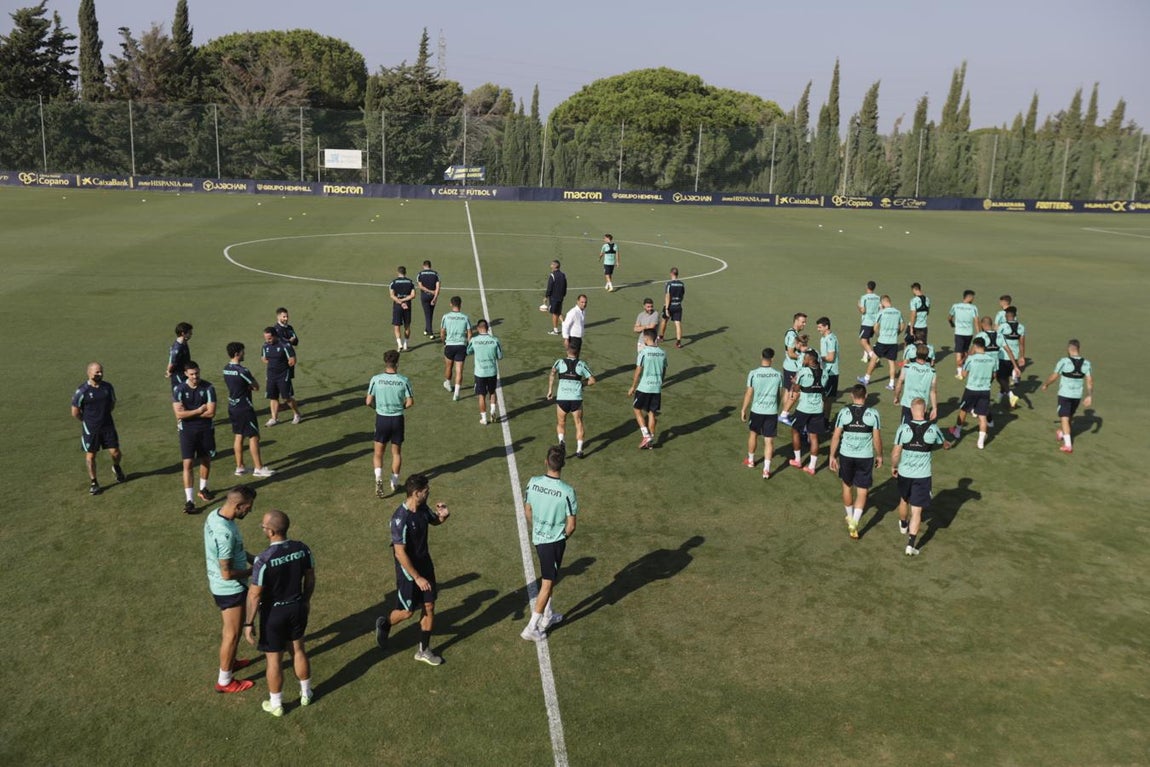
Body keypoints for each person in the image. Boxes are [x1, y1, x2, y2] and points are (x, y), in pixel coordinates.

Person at [244, 508, 315, 717]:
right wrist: (306, 600)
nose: (262, 528)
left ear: (271, 532)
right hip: (297, 607)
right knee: (298, 650)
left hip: (273, 615)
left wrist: (248, 624)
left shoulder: (264, 560)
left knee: (274, 660)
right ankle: (306, 693)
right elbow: (310, 577)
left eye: (263, 526)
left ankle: (276, 704)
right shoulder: (302, 549)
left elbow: (255, 595)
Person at [375, 474, 450, 667]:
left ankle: (423, 650)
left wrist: (443, 516)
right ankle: (385, 623)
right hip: (409, 573)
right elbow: (400, 553)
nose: (429, 492)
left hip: (426, 566)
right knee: (407, 612)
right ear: (416, 493)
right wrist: (416, 577)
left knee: (429, 606)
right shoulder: (400, 519)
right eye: (426, 491)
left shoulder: (423, 508)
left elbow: (434, 521)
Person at [204, 485, 257, 693]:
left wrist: (255, 558)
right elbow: (227, 572)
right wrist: (253, 571)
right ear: (237, 505)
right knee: (232, 634)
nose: (249, 511)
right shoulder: (224, 533)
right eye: (248, 507)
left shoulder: (215, 515)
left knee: (230, 632)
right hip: (229, 588)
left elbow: (237, 551)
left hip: (220, 583)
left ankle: (231, 661)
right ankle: (224, 681)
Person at [521, 445, 578, 641]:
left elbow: (527, 510)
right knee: (547, 583)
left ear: (546, 462)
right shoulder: (567, 491)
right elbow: (571, 526)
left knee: (550, 578)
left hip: (538, 538)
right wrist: (558, 538)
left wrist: (538, 529)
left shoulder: (533, 482)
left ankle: (548, 615)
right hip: (553, 543)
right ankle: (531, 627)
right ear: (562, 465)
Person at [891, 398, 951, 556]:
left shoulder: (903, 428)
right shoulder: (933, 428)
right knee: (917, 511)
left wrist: (894, 466)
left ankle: (903, 524)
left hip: (905, 473)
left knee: (904, 500)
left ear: (911, 410)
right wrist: (946, 444)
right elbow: (944, 443)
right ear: (924, 411)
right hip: (923, 476)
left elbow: (896, 452)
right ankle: (910, 545)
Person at [829, 384, 883, 539]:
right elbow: (877, 438)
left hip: (846, 455)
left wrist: (832, 456)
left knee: (847, 486)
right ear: (865, 396)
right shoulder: (873, 414)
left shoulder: (844, 412)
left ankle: (850, 516)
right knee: (862, 491)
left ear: (852, 396)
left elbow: (836, 436)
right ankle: (855, 522)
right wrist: (880, 455)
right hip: (865, 457)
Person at [71, 361, 126, 495]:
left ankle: (116, 467)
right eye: (97, 372)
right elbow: (75, 412)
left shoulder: (107, 387)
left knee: (115, 452)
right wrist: (87, 422)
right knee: (91, 456)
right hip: (91, 429)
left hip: (107, 425)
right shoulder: (82, 391)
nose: (100, 374)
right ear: (89, 373)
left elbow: (112, 403)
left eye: (101, 371)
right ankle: (94, 482)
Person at [366, 349, 415, 497]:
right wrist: (400, 407)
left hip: (381, 418)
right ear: (397, 363)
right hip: (397, 419)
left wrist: (377, 408)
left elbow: (368, 401)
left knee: (378, 453)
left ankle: (378, 478)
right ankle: (394, 482)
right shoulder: (403, 380)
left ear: (385, 362)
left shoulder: (376, 379)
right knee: (396, 453)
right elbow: (410, 402)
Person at [223, 343, 273, 478]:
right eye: (242, 352)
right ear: (237, 353)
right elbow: (256, 387)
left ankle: (240, 467)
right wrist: (249, 387)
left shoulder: (226, 369)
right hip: (244, 407)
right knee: (254, 436)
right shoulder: (242, 371)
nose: (244, 353)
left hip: (232, 406)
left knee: (239, 435)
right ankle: (259, 468)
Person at [173, 361, 217, 515]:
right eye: (191, 374)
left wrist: (188, 414)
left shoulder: (209, 387)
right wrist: (199, 410)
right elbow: (179, 414)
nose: (195, 376)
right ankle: (189, 500)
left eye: (197, 373)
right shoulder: (179, 389)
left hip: (205, 429)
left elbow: (211, 412)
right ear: (186, 374)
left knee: (205, 459)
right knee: (188, 464)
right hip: (187, 431)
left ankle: (203, 489)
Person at [1041, 339, 1093, 454]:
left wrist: (1046, 384)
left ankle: (1068, 445)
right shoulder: (1086, 363)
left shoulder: (1064, 361)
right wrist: (1089, 395)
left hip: (1065, 394)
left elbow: (1055, 376)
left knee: (1064, 417)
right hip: (1077, 396)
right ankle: (1061, 432)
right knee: (1069, 416)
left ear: (1069, 349)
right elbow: (1089, 380)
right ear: (1079, 349)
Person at [740, 347, 784, 478]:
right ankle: (766, 469)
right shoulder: (778, 375)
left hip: (757, 411)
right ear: (773, 358)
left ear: (761, 357)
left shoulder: (753, 373)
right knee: (769, 441)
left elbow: (749, 393)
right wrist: (776, 406)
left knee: (753, 435)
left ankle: (751, 460)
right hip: (771, 412)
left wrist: (743, 409)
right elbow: (780, 394)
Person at [547, 341, 596, 458]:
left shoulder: (559, 362)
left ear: (567, 351)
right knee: (578, 424)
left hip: (562, 398)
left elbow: (552, 373)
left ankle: (561, 441)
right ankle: (579, 450)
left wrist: (550, 390)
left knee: (561, 423)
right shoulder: (581, 364)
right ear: (578, 352)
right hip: (576, 399)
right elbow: (592, 380)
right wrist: (581, 384)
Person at [949, 337, 997, 449]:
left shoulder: (971, 359)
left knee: (963, 410)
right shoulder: (991, 359)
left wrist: (960, 374)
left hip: (971, 390)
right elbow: (994, 375)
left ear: (975, 346)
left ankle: (957, 431)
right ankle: (980, 442)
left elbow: (964, 375)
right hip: (985, 390)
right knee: (982, 415)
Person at [788, 349, 825, 475]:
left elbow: (797, 389)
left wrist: (794, 383)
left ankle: (798, 460)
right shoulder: (824, 372)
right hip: (818, 408)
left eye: (805, 358)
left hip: (804, 408)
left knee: (795, 430)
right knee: (814, 436)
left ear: (810, 360)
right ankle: (812, 467)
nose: (803, 360)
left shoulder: (803, 372)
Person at [629, 329, 668, 449]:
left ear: (646, 338)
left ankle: (646, 435)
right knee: (652, 413)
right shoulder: (662, 352)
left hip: (644, 387)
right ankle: (650, 442)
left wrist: (633, 386)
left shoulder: (644, 352)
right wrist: (659, 382)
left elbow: (638, 371)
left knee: (636, 409)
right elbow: (664, 371)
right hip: (656, 388)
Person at [974, 316, 1021, 410]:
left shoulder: (981, 335)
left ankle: (978, 406)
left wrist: (965, 361)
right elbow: (1009, 351)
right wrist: (1015, 366)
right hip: (995, 365)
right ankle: (1010, 395)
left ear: (983, 325)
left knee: (981, 385)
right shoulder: (1000, 335)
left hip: (983, 365)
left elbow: (973, 351)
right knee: (995, 381)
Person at [859, 296, 904, 390]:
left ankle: (866, 379)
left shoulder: (882, 312)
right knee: (891, 362)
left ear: (883, 302)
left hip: (882, 341)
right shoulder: (898, 312)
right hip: (893, 342)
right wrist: (896, 334)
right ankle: (891, 384)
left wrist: (878, 335)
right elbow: (902, 326)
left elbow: (875, 327)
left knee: (873, 359)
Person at [466, 319, 503, 425]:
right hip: (492, 371)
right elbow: (500, 356)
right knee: (492, 392)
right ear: (488, 328)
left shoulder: (474, 340)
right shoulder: (495, 340)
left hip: (480, 373)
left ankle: (483, 418)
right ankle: (492, 411)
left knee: (481, 395)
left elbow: (468, 351)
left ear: (478, 328)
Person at [261, 327, 301, 426]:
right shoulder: (265, 346)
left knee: (287, 397)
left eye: (269, 338)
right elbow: (263, 358)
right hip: (271, 375)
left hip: (283, 375)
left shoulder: (285, 345)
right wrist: (273, 365)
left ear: (275, 336)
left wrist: (281, 366)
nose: (267, 341)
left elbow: (292, 360)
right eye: (266, 338)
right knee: (273, 397)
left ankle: (297, 414)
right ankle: (274, 418)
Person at [894, 344, 939, 425]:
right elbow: (933, 391)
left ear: (916, 354)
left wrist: (896, 397)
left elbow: (899, 382)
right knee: (919, 433)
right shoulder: (932, 372)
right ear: (927, 356)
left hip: (908, 404)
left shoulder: (907, 367)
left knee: (905, 430)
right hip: (922, 407)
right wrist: (934, 408)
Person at [439, 296, 473, 401]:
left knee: (448, 367)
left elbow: (442, 332)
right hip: (461, 346)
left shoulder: (446, 316)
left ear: (451, 304)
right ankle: (457, 393)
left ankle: (448, 383)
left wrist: (444, 342)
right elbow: (470, 334)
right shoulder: (465, 317)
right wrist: (468, 344)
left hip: (449, 345)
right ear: (460, 304)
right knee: (459, 371)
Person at [778, 313, 808, 425]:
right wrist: (803, 357)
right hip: (792, 367)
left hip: (788, 366)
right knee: (793, 392)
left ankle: (784, 414)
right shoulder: (792, 335)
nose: (804, 324)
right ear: (796, 321)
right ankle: (784, 414)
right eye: (803, 322)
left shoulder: (793, 333)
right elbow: (791, 353)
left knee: (787, 390)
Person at [996, 306, 1026, 407]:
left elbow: (997, 340)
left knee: (1000, 377)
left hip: (1003, 355)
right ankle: (1002, 395)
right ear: (1015, 315)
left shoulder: (1003, 326)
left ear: (1006, 315)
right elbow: (1022, 343)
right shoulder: (1021, 327)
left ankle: (1010, 394)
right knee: (1005, 378)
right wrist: (1022, 357)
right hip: (1015, 356)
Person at [948, 289, 979, 379]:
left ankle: (959, 373)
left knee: (958, 352)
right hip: (969, 333)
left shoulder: (956, 306)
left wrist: (951, 323)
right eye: (972, 297)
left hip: (959, 333)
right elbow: (976, 321)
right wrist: (979, 333)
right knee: (965, 351)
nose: (973, 299)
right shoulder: (973, 308)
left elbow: (949, 317)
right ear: (969, 297)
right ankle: (965, 369)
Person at [817, 317, 840, 422]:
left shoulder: (831, 339)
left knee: (827, 399)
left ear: (826, 326)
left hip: (831, 373)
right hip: (824, 372)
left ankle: (825, 421)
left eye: (820, 327)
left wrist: (817, 358)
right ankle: (821, 418)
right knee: (822, 397)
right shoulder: (823, 338)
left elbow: (831, 358)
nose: (818, 329)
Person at [389, 266, 416, 351]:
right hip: (407, 305)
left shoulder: (393, 282)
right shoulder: (410, 282)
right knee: (407, 325)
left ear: (398, 272)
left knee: (397, 326)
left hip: (397, 305)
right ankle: (405, 344)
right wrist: (404, 300)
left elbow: (392, 295)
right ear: (405, 272)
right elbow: (413, 295)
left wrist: (399, 301)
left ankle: (399, 344)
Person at [658, 267, 686, 348]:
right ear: (677, 274)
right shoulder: (681, 284)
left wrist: (667, 308)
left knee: (664, 320)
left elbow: (667, 296)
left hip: (670, 306)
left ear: (671, 273)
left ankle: (661, 337)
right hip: (678, 306)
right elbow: (682, 295)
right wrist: (678, 302)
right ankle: (678, 342)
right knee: (677, 323)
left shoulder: (669, 284)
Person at [417, 260, 441, 338]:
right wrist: (435, 297)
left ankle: (430, 332)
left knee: (427, 314)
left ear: (423, 266)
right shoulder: (435, 274)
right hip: (432, 296)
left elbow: (421, 287)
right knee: (430, 313)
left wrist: (429, 291)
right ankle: (427, 329)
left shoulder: (420, 274)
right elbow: (438, 287)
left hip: (424, 296)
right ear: (430, 266)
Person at [857, 281, 881, 362]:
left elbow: (863, 311)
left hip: (866, 322)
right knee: (867, 339)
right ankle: (865, 357)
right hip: (875, 322)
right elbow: (880, 309)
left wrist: (859, 306)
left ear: (867, 287)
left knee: (863, 340)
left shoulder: (864, 297)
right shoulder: (878, 297)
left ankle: (873, 356)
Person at [166, 322, 193, 388]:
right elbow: (172, 362)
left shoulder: (184, 342)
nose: (191, 334)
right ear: (183, 333)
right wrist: (169, 371)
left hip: (185, 373)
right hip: (179, 375)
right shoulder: (177, 347)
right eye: (189, 332)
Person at [544, 260, 567, 335]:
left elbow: (550, 287)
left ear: (555, 266)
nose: (550, 266)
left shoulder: (552, 275)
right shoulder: (563, 275)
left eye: (552, 265)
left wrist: (546, 296)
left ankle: (555, 330)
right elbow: (565, 286)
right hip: (560, 297)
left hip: (554, 297)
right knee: (558, 312)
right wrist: (563, 295)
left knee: (554, 313)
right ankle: (565, 326)